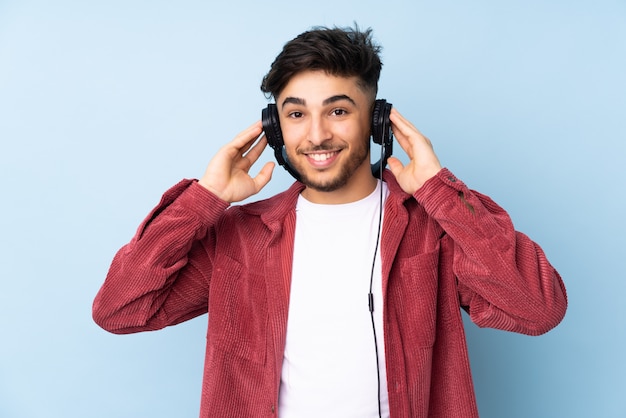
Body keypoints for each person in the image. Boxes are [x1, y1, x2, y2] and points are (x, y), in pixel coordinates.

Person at [93, 25, 567, 418]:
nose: (317, 134)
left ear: (378, 122)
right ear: (275, 128)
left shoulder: (432, 226)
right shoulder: (237, 238)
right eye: (296, 114)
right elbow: (119, 310)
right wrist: (203, 200)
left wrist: (439, 190)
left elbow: (536, 309)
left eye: (338, 111)